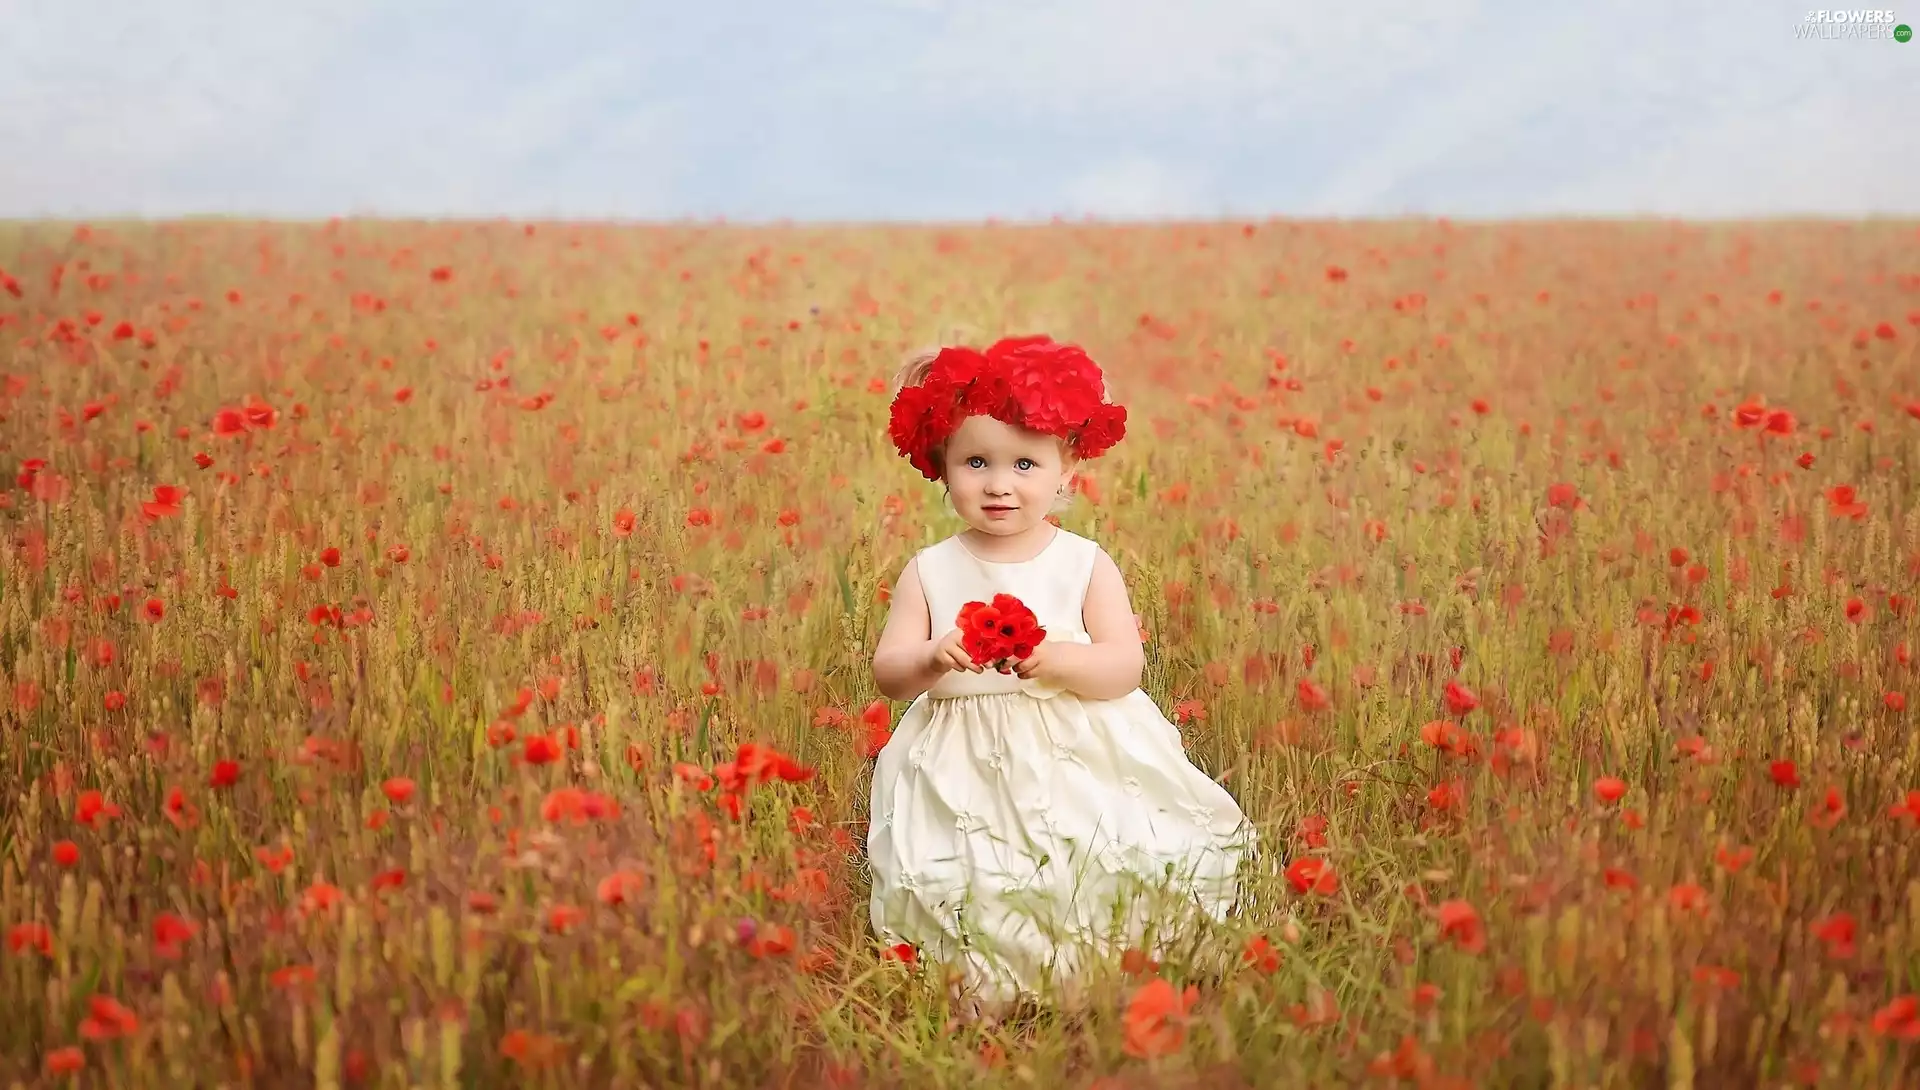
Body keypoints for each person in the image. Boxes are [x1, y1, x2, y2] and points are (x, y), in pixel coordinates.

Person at [865, 334, 1257, 1022]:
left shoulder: (1083, 562)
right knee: (976, 875)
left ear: (1066, 467)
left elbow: (1123, 666)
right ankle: (991, 983)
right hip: (964, 761)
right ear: (943, 465)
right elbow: (889, 675)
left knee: (1112, 854)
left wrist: (1058, 659)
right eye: (976, 462)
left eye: (1024, 463)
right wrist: (932, 656)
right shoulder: (929, 570)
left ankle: (1111, 969)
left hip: (1077, 744)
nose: (999, 484)